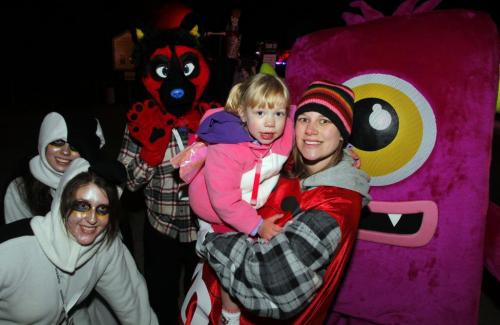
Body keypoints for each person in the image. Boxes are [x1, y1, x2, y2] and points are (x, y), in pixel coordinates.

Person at [181, 80, 371, 324]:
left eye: (325, 121)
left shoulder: (334, 207)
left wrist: (209, 241)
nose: (311, 129)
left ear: (343, 133)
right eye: (305, 119)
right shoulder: (293, 160)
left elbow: (274, 281)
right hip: (209, 299)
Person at [181, 72, 292, 324]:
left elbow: (309, 127)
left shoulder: (286, 131)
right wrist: (256, 226)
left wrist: (345, 149)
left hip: (246, 199)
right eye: (260, 113)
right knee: (233, 264)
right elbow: (224, 201)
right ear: (243, 114)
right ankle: (229, 316)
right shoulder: (227, 148)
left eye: (278, 113)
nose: (271, 123)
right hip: (214, 208)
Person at [0, 158, 158, 324]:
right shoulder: (11, 250)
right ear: (62, 202)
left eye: (102, 209)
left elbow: (133, 306)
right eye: (82, 206)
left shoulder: (106, 248)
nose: (92, 219)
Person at [4, 111, 104, 224]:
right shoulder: (22, 188)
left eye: (75, 146)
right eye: (58, 142)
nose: (65, 152)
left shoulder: (100, 183)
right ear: (44, 142)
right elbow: (19, 237)